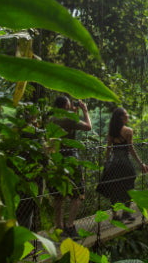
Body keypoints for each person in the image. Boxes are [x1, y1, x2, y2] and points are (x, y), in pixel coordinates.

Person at [50, 96, 92, 238]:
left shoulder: (51, 119)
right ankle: (70, 225)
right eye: (69, 106)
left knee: (58, 196)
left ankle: (59, 226)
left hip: (56, 160)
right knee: (77, 194)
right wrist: (85, 111)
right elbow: (88, 127)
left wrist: (74, 112)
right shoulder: (68, 119)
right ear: (65, 107)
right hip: (71, 159)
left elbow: (71, 128)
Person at [96, 107, 147, 222]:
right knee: (129, 186)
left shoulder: (112, 131)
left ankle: (115, 215)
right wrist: (140, 163)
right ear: (121, 117)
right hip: (125, 163)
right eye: (126, 114)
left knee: (114, 188)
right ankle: (125, 213)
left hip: (114, 163)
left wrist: (107, 162)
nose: (128, 115)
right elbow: (131, 149)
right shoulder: (128, 131)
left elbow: (108, 149)